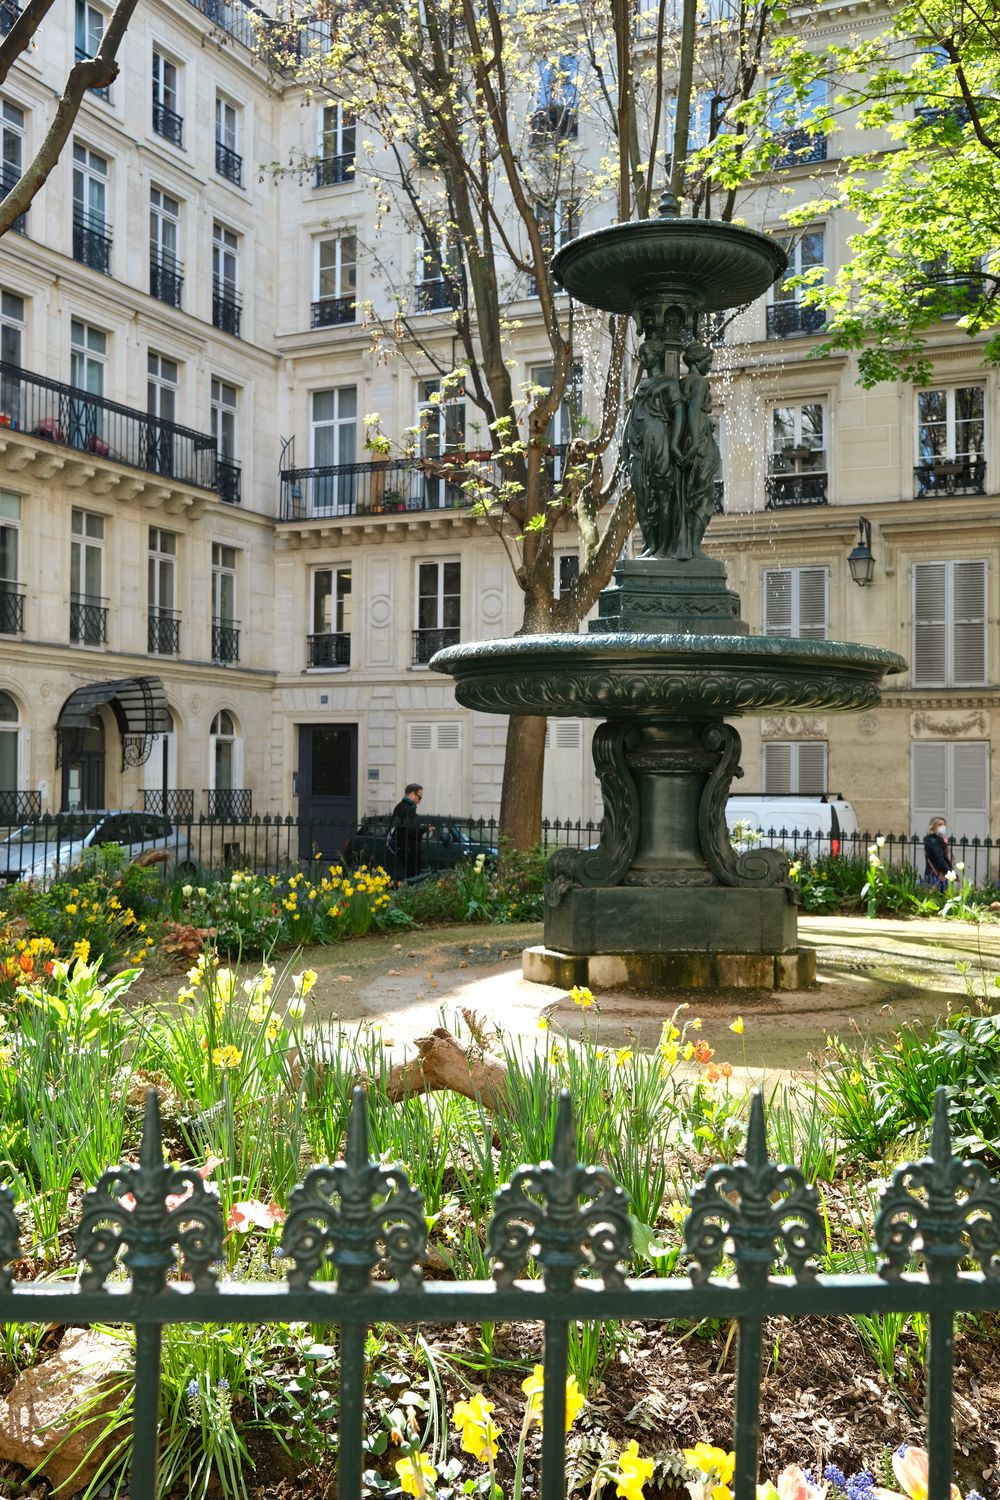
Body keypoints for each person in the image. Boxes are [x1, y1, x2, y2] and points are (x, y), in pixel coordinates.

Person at [390, 782, 425, 882]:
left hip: (403, 848)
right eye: (419, 797)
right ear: (412, 794)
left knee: (409, 877)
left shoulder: (399, 806)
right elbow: (411, 831)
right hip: (409, 849)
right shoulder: (407, 809)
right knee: (412, 878)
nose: (420, 800)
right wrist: (424, 829)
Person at [923, 816, 953, 892]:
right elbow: (939, 857)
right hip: (936, 873)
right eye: (939, 825)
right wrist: (949, 871)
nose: (943, 827)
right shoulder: (932, 840)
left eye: (944, 824)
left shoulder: (939, 839)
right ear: (933, 827)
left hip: (941, 872)